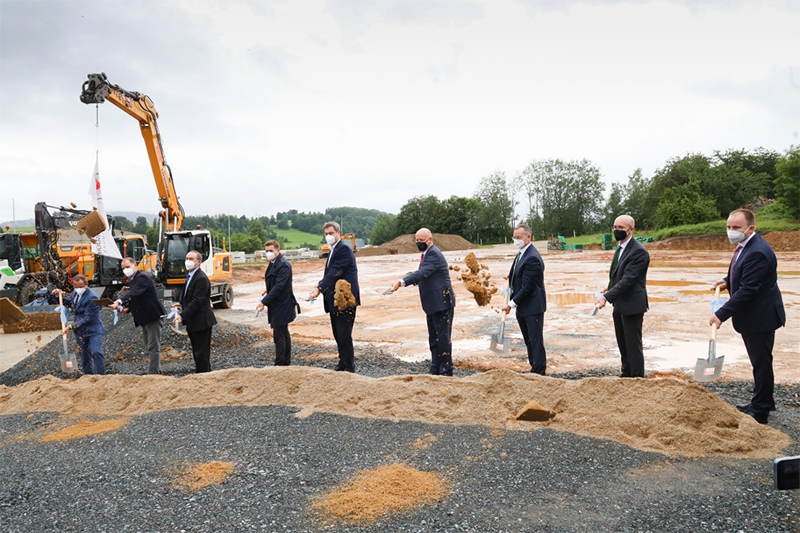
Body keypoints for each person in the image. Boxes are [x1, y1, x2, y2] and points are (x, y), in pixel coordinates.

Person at [710, 209, 786, 425]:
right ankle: (764, 400)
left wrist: (720, 314)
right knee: (760, 361)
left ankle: (761, 409)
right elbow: (741, 271)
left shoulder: (758, 252)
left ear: (750, 228)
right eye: (729, 227)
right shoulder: (747, 246)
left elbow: (748, 289)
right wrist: (727, 281)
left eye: (736, 228)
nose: (731, 232)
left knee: (761, 363)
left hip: (760, 316)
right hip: (755, 314)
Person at [391, 228, 456, 376]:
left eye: (422, 240)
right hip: (432, 304)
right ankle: (435, 368)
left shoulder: (434, 253)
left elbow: (423, 272)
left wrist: (402, 282)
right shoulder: (426, 254)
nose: (419, 243)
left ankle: (446, 370)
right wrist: (407, 277)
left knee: (443, 338)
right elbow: (422, 273)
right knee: (434, 338)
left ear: (430, 240)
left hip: (442, 303)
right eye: (417, 241)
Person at [595, 215, 650, 378]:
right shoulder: (620, 248)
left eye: (621, 228)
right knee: (623, 343)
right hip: (620, 304)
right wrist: (609, 288)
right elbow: (618, 276)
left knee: (633, 345)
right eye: (615, 227)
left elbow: (628, 280)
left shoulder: (638, 251)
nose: (616, 231)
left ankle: (637, 378)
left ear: (631, 229)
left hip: (632, 305)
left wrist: (607, 297)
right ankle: (626, 374)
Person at [309, 221, 360, 372]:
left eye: (331, 233)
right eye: (326, 234)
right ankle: (342, 362)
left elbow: (335, 272)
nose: (328, 236)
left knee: (344, 334)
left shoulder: (343, 249)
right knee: (338, 334)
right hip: (335, 299)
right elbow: (328, 274)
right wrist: (319, 285)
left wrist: (319, 288)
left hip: (344, 299)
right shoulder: (333, 250)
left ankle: (349, 367)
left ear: (338, 232)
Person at [501, 224, 547, 375]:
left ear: (528, 237)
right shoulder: (522, 252)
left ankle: (539, 371)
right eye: (514, 237)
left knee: (535, 341)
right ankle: (534, 367)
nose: (516, 240)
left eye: (519, 237)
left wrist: (510, 304)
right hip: (524, 306)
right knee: (528, 340)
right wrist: (511, 277)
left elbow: (528, 287)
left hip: (532, 306)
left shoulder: (532, 257)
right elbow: (516, 269)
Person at [110, 257, 166, 374]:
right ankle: (157, 371)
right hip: (145, 317)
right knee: (149, 345)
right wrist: (127, 309)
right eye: (123, 268)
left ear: (135, 266)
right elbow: (138, 298)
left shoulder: (142, 277)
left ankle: (154, 373)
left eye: (128, 267)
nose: (125, 270)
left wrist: (119, 301)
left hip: (152, 316)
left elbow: (134, 292)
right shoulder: (134, 279)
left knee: (153, 347)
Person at [50, 275, 106, 375]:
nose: (78, 289)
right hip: (80, 331)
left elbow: (88, 318)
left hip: (93, 330)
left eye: (80, 287)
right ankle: (89, 376)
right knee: (84, 355)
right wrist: (59, 296)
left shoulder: (92, 297)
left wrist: (71, 326)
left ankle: (101, 377)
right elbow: (71, 304)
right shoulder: (75, 293)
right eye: (76, 287)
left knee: (96, 352)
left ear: (86, 285)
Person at [173, 250, 217, 373]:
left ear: (199, 262)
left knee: (201, 352)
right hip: (194, 321)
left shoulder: (201, 278)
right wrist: (181, 304)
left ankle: (203, 374)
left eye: (191, 259)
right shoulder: (190, 276)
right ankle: (202, 372)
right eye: (187, 258)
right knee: (197, 351)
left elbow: (198, 301)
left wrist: (182, 315)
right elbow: (188, 295)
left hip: (201, 321)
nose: (188, 261)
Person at [256, 240, 298, 366]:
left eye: (271, 251)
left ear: (278, 251)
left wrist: (264, 301)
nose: (268, 253)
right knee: (283, 332)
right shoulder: (274, 262)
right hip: (278, 303)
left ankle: (280, 363)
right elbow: (275, 282)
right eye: (267, 251)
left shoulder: (283, 265)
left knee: (279, 334)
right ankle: (285, 361)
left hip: (282, 304)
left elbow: (280, 286)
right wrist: (267, 290)